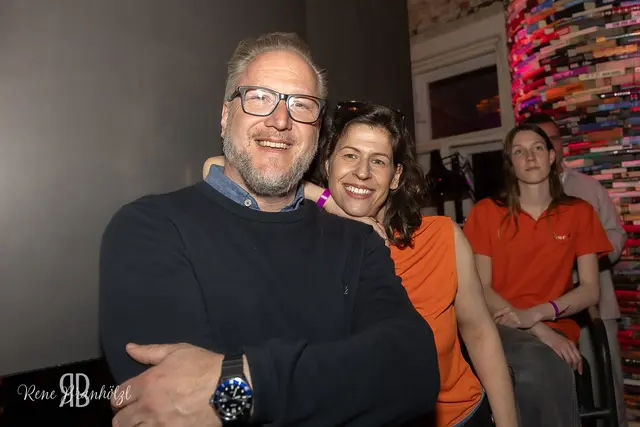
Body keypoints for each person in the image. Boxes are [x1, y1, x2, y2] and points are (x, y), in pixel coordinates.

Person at [99, 33, 441, 427]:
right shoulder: (152, 228)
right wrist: (340, 383)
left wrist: (245, 384)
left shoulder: (359, 242)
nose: (280, 121)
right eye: (260, 97)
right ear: (225, 116)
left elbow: (413, 370)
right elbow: (170, 403)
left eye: (301, 105)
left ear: (317, 130)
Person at [204, 101, 518, 427]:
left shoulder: (441, 238)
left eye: (378, 161)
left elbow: (480, 334)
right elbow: (216, 167)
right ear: (328, 163)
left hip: (459, 418)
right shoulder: (302, 246)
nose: (363, 172)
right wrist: (328, 202)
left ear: (396, 176)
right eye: (350, 155)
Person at [463, 123, 613, 427]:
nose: (530, 157)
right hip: (497, 325)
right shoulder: (486, 212)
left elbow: (590, 290)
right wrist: (535, 327)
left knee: (542, 364)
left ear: (552, 156)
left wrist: (537, 315)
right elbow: (481, 287)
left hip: (555, 325)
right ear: (511, 162)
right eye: (519, 151)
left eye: (537, 148)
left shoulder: (579, 212)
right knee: (535, 363)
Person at [523, 113, 628, 427]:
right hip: (544, 312)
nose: (546, 146)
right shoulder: (521, 196)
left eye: (552, 139)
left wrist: (585, 256)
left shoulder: (588, 188)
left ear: (559, 146)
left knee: (606, 388)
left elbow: (616, 235)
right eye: (537, 141)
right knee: (561, 393)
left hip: (594, 308)